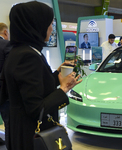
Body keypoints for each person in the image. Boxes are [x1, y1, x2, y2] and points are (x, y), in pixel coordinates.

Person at [1, 1, 82, 150]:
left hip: (22, 130)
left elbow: (33, 87)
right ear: (36, 25)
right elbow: (35, 108)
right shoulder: (27, 56)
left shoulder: (22, 51)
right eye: (49, 23)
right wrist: (63, 89)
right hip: (31, 136)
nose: (51, 28)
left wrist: (57, 74)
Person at [0, 22, 12, 148]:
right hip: (3, 92)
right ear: (5, 32)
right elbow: (10, 69)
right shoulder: (6, 45)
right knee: (8, 124)